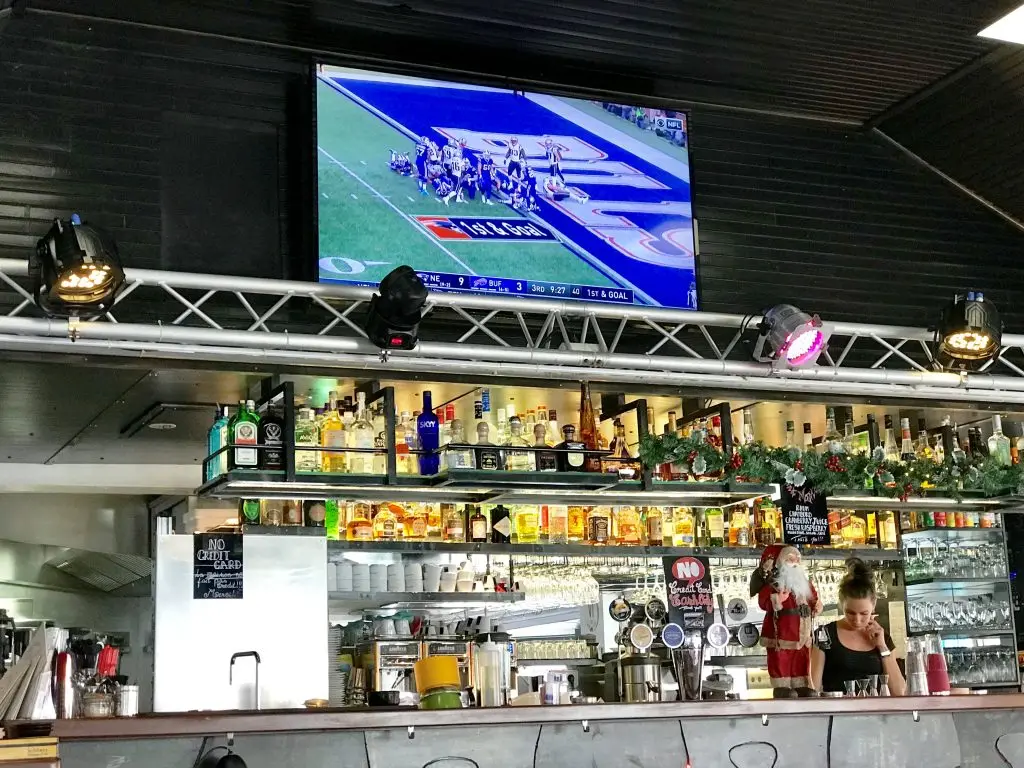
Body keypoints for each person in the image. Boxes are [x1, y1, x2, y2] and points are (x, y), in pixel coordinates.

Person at [810, 559, 906, 696]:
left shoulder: (882, 637)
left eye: (864, 613)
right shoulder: (824, 634)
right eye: (850, 612)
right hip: (838, 709)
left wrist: (882, 647)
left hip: (877, 708)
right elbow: (813, 690)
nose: (857, 620)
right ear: (841, 603)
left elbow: (900, 692)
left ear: (874, 604)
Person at [750, 544, 822, 697]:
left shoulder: (805, 584)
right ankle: (782, 685)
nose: (795, 562)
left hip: (802, 631)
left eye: (797, 559)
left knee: (801, 657)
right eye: (790, 559)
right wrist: (777, 599)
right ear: (781, 561)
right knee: (781, 657)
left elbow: (813, 599)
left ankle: (800, 684)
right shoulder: (775, 583)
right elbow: (763, 602)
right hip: (782, 630)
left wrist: (817, 606)